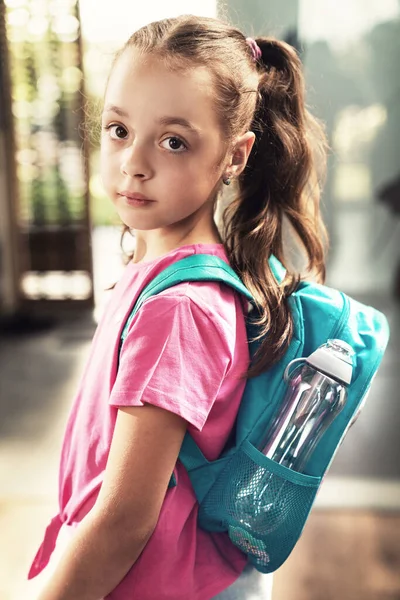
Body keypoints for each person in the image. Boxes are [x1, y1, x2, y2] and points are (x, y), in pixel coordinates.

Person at [27, 14, 327, 600]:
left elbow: (123, 522)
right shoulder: (166, 273)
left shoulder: (180, 309)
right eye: (118, 129)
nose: (133, 163)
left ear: (236, 156)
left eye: (173, 141)